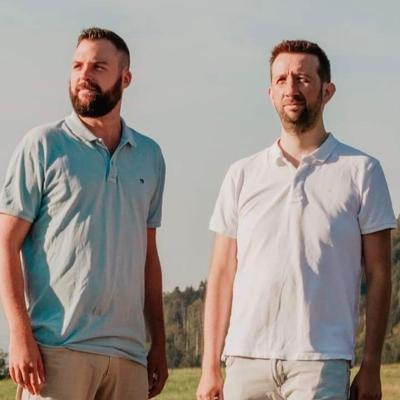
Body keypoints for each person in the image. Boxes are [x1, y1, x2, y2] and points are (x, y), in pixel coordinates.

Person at [197, 40, 397, 400]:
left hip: (321, 361)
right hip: (245, 359)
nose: (291, 88)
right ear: (270, 93)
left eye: (303, 79)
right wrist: (210, 366)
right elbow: (222, 273)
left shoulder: (362, 171)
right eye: (281, 79)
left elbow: (380, 274)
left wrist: (371, 365)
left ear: (327, 91)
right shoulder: (242, 174)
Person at [0, 27, 168, 400]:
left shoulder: (150, 156)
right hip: (56, 351)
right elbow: (5, 244)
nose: (84, 75)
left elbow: (148, 256)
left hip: (128, 356)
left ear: (125, 78)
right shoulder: (43, 145)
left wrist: (158, 342)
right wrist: (19, 334)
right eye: (77, 66)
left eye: (98, 67)